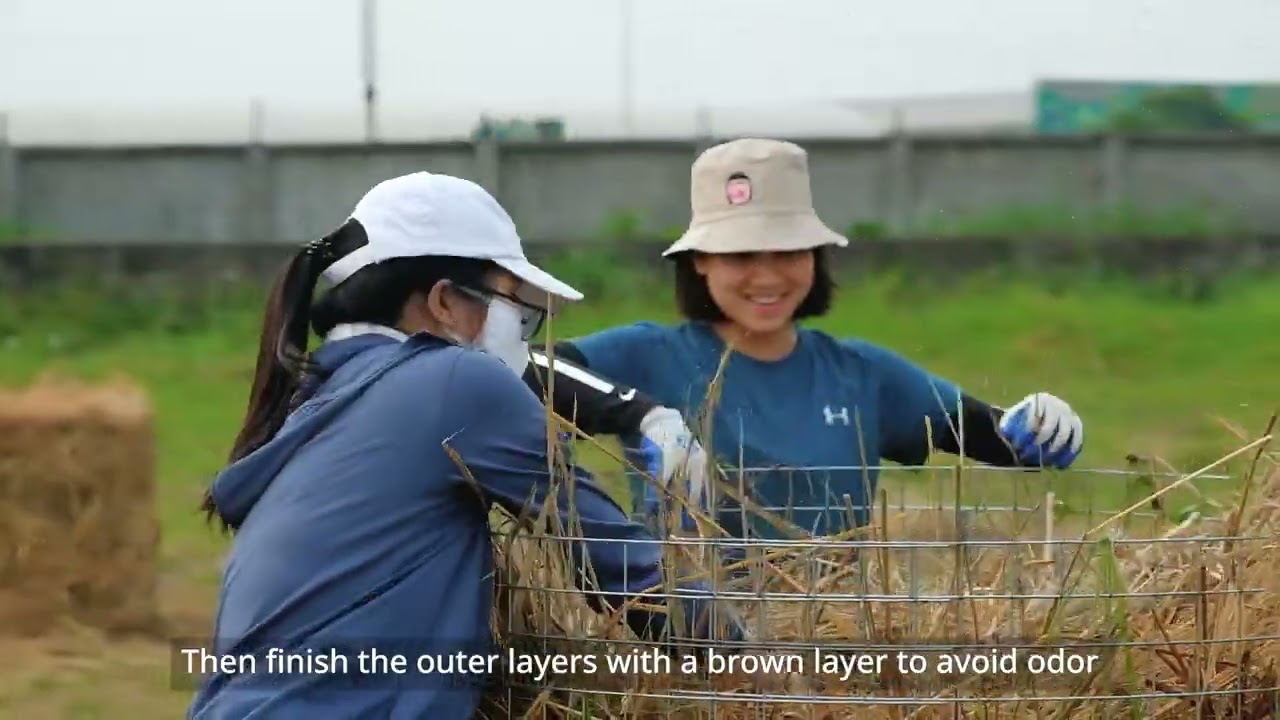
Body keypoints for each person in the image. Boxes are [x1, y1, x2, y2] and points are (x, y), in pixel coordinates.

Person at [186, 172, 744, 720]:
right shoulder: (454, 381)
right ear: (445, 302)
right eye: (515, 307)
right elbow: (622, 565)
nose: (523, 334)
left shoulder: (319, 399)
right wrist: (767, 671)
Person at [538, 138, 1086, 541]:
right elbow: (524, 370)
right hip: (691, 639)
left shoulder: (863, 373)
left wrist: (1038, 423)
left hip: (837, 642)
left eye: (788, 251)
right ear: (700, 261)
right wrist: (643, 417)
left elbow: (992, 435)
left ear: (815, 257)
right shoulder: (647, 356)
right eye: (741, 255)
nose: (768, 276)